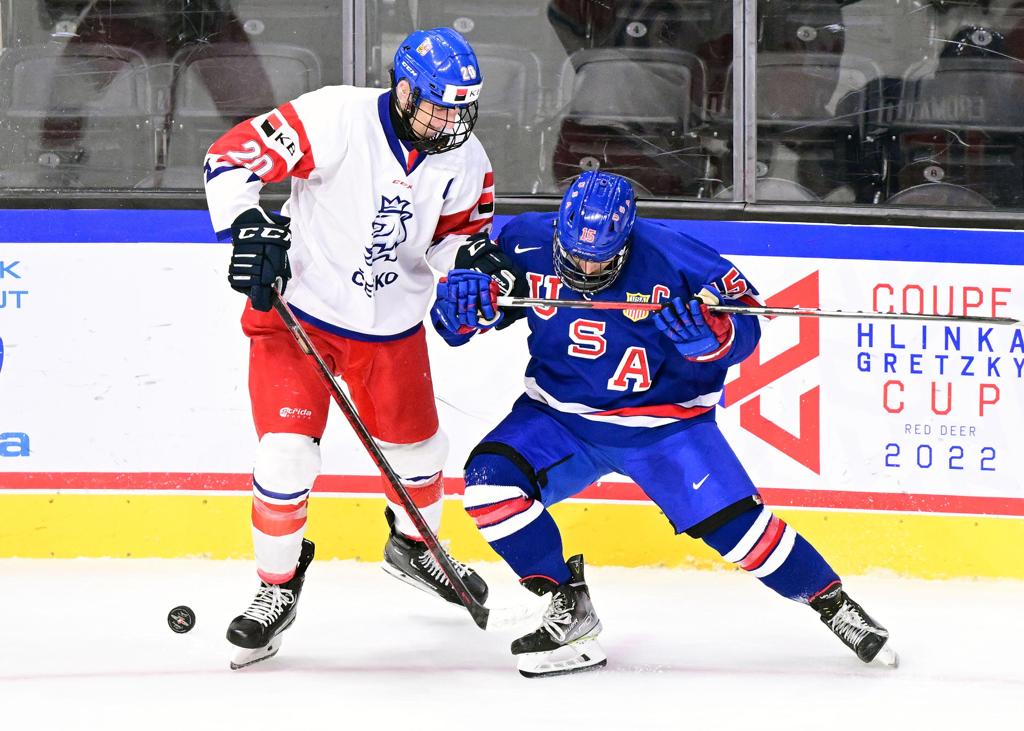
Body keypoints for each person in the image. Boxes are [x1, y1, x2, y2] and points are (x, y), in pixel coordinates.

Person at [431, 170, 897, 678]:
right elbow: (473, 315)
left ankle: (835, 606)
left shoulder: (678, 259)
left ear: (626, 239)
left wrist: (716, 340)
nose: (586, 267)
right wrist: (459, 313)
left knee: (743, 535)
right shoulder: (525, 240)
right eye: (576, 254)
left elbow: (747, 320)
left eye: (600, 257)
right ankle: (569, 607)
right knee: (490, 487)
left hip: (666, 428)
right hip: (559, 419)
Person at [203, 27, 522, 669]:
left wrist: (475, 267)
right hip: (299, 316)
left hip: (389, 328)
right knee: (286, 457)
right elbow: (230, 157)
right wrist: (246, 225)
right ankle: (276, 588)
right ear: (404, 91)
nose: (451, 124)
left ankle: (414, 548)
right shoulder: (334, 116)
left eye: (462, 111)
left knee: (421, 455)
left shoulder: (466, 159)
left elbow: (452, 240)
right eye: (438, 109)